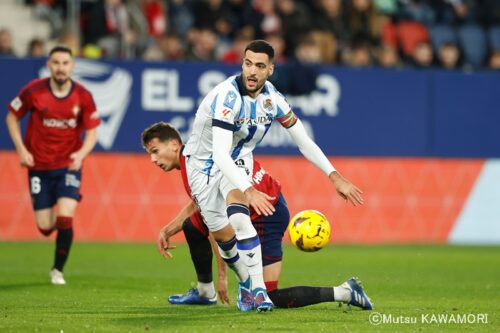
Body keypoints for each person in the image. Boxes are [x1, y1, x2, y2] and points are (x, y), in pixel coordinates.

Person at [181, 39, 364, 312]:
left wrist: (333, 175)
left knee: (241, 219)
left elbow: (303, 140)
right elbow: (219, 153)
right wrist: (249, 189)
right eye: (247, 64)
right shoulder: (226, 98)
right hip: (203, 166)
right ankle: (247, 284)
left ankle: (257, 294)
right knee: (224, 241)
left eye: (259, 66)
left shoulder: (272, 99)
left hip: (238, 160)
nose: (251, 71)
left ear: (270, 70)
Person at [141, 122, 373, 310]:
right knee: (192, 226)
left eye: (155, 151)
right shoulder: (195, 157)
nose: (153, 160)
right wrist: (167, 229)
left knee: (270, 295)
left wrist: (223, 274)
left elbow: (218, 227)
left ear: (174, 144)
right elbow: (201, 205)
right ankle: (204, 291)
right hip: (257, 203)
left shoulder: (194, 161)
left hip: (266, 214)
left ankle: (345, 292)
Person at [5, 46, 100, 285]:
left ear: (72, 66)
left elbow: (92, 131)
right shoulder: (34, 91)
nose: (60, 67)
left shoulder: (83, 95)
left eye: (65, 63)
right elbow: (11, 116)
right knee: (45, 226)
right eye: (56, 63)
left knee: (66, 217)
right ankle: (54, 236)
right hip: (39, 165)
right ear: (49, 65)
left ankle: (57, 270)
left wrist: (81, 154)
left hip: (69, 165)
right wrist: (21, 150)